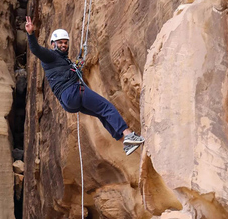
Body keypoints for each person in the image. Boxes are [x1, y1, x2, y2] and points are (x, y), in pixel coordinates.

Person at [25, 16, 144, 155]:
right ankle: (129, 135)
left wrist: (77, 64)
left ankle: (125, 141)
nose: (63, 45)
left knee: (101, 114)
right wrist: (30, 34)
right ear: (53, 44)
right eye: (60, 43)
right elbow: (36, 50)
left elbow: (68, 72)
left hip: (69, 103)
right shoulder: (50, 56)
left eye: (65, 43)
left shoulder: (63, 61)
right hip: (73, 92)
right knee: (106, 107)